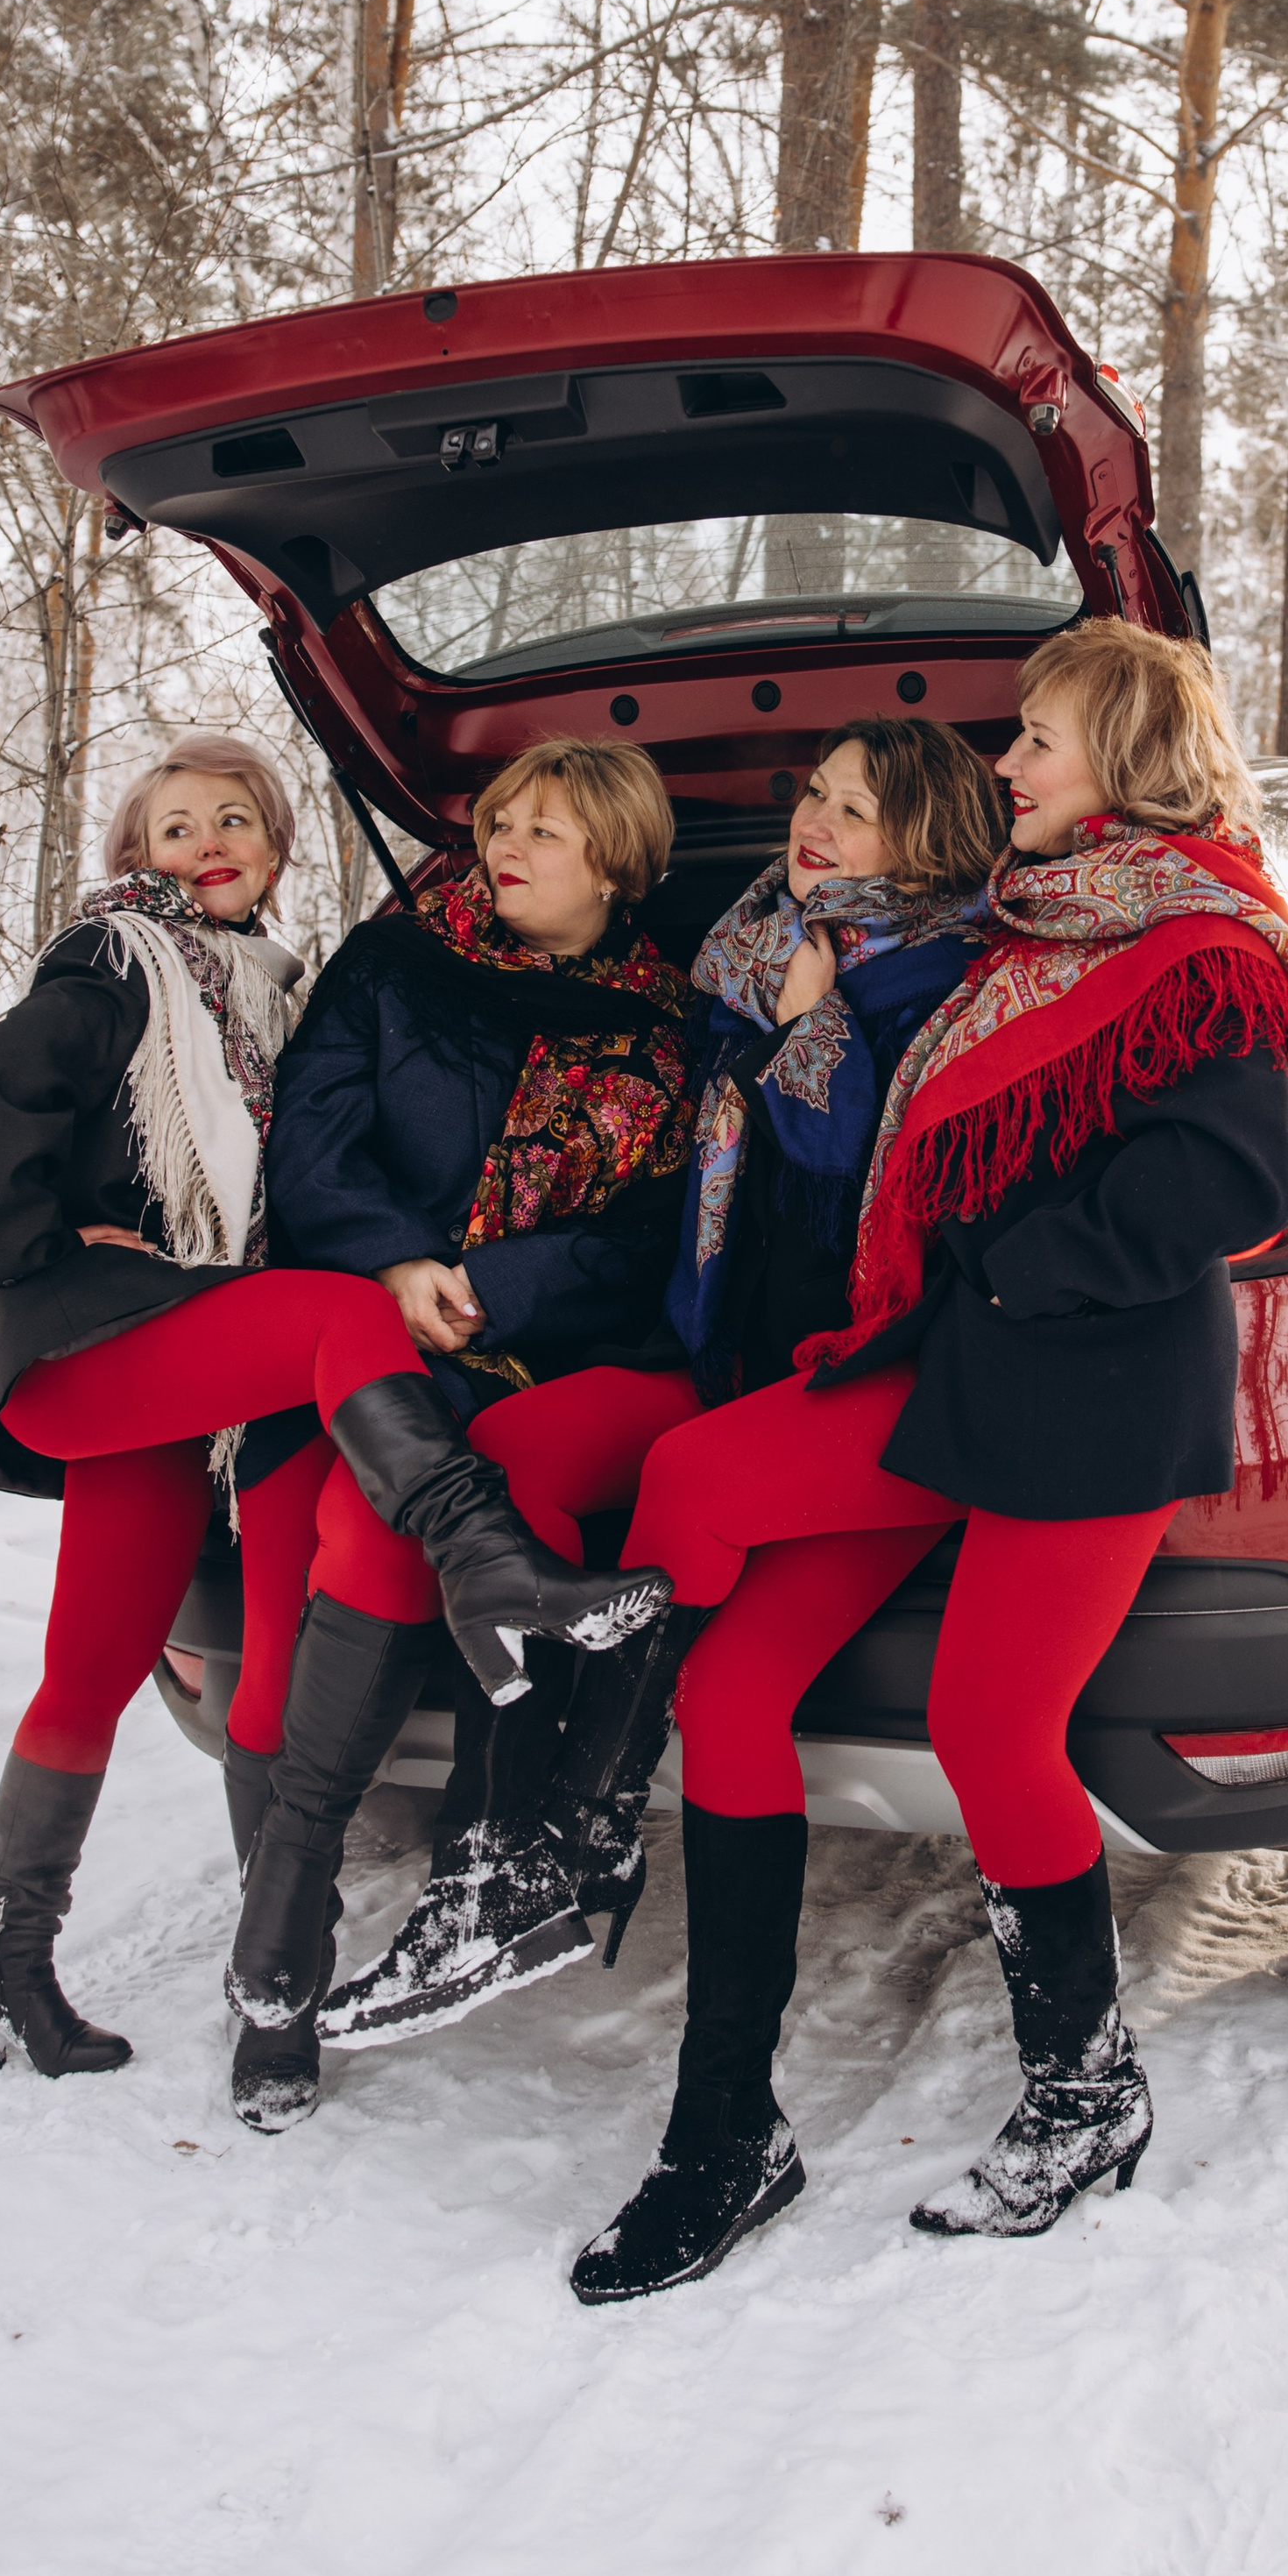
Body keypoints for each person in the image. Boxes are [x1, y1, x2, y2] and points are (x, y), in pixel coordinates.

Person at [567, 621, 1288, 2302]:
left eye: (1040, 738)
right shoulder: (1027, 928)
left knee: (992, 1724)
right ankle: (723, 2133)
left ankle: (1083, 2090)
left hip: (1090, 1396)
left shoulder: (1203, 942)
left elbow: (1230, 1186)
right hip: (944, 1371)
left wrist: (1008, 1258)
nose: (1009, 765)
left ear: (1127, 758)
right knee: (732, 1670)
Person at [0, 733, 659, 2125]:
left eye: (236, 818)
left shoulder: (272, 985)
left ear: (274, 852)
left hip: (206, 1387)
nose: (208, 839)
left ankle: (57, 1968)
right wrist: (44, 1262)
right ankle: (475, 1545)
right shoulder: (115, 960)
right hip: (104, 1340)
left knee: (122, 1666)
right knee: (334, 1314)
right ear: (140, 847)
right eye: (177, 819)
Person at [315, 715, 1003, 2052]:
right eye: (816, 794)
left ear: (921, 839)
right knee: (508, 1470)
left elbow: (850, 1171)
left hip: (845, 1373)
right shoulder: (740, 951)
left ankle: (569, 1841)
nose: (815, 824)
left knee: (678, 1506)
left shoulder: (944, 981)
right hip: (706, 1355)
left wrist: (818, 1031)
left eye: (855, 812)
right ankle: (502, 1857)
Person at [218, 735, 698, 2109]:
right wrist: (396, 1266)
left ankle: (317, 1958)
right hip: (358, 1343)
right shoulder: (394, 959)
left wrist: (496, 1288)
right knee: (306, 1606)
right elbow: (313, 1140)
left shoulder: (666, 1025)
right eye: (501, 820)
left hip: (531, 1352)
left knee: (374, 1538)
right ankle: (283, 1974)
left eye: (545, 830)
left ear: (615, 860)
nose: (506, 847)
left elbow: (651, 1235)